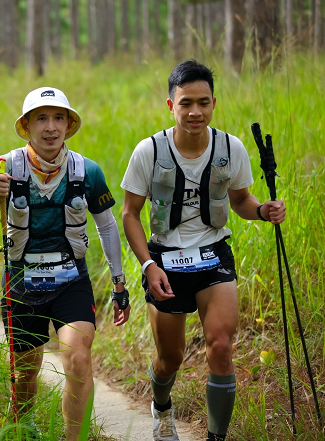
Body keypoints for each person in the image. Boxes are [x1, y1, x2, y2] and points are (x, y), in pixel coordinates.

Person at [121, 60, 286, 441]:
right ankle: (161, 410)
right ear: (170, 105)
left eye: (203, 102)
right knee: (170, 360)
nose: (195, 111)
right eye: (186, 103)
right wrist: (148, 265)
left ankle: (216, 437)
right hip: (165, 260)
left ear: (214, 103)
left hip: (213, 254)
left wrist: (262, 211)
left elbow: (242, 200)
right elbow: (130, 213)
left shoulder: (231, 147)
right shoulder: (149, 151)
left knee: (221, 346)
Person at [0, 87, 130, 440]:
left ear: (68, 124)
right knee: (25, 373)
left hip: (71, 279)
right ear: (27, 125)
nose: (51, 127)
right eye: (42, 118)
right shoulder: (6, 166)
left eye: (58, 118)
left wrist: (119, 281)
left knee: (78, 358)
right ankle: (24, 423)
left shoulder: (87, 171)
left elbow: (107, 226)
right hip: (21, 280)